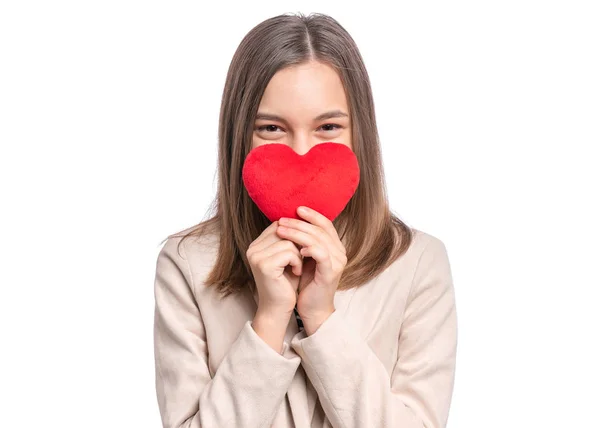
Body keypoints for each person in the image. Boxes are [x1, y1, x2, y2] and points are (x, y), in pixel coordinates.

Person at [152, 12, 458, 428]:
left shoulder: (418, 263)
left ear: (359, 134)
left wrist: (322, 319)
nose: (300, 153)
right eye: (272, 128)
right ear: (239, 134)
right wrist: (269, 320)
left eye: (328, 126)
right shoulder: (186, 264)